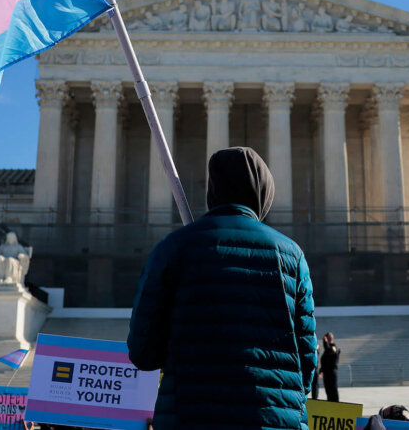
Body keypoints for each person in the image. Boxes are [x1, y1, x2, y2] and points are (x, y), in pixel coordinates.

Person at [127, 147, 317, 430]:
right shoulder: (292, 255)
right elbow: (306, 364)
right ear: (264, 194)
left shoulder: (172, 249)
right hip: (274, 422)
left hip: (190, 418)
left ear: (213, 191)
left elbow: (142, 352)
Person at [319, 332, 341, 402]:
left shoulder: (333, 347)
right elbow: (326, 361)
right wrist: (321, 370)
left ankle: (336, 406)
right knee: (328, 391)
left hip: (331, 373)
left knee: (333, 391)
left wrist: (325, 343)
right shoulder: (328, 349)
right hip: (327, 373)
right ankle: (330, 405)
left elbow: (329, 351)